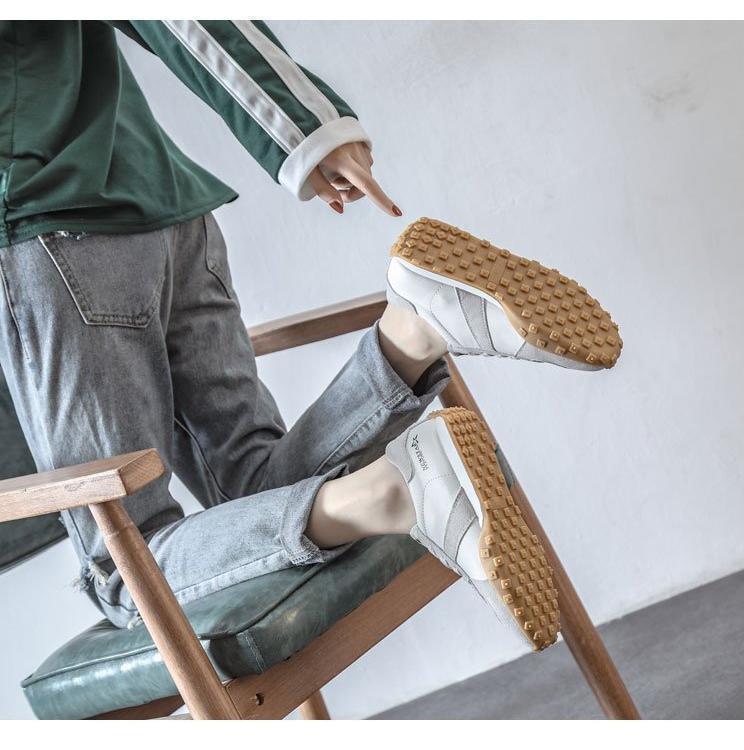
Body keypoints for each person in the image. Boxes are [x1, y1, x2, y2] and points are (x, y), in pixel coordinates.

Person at [0, 21, 621, 653]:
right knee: (260, 489)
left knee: (125, 573)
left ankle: (398, 490)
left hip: (43, 227)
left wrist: (305, 131)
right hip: (167, 211)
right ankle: (412, 332)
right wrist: (305, 128)